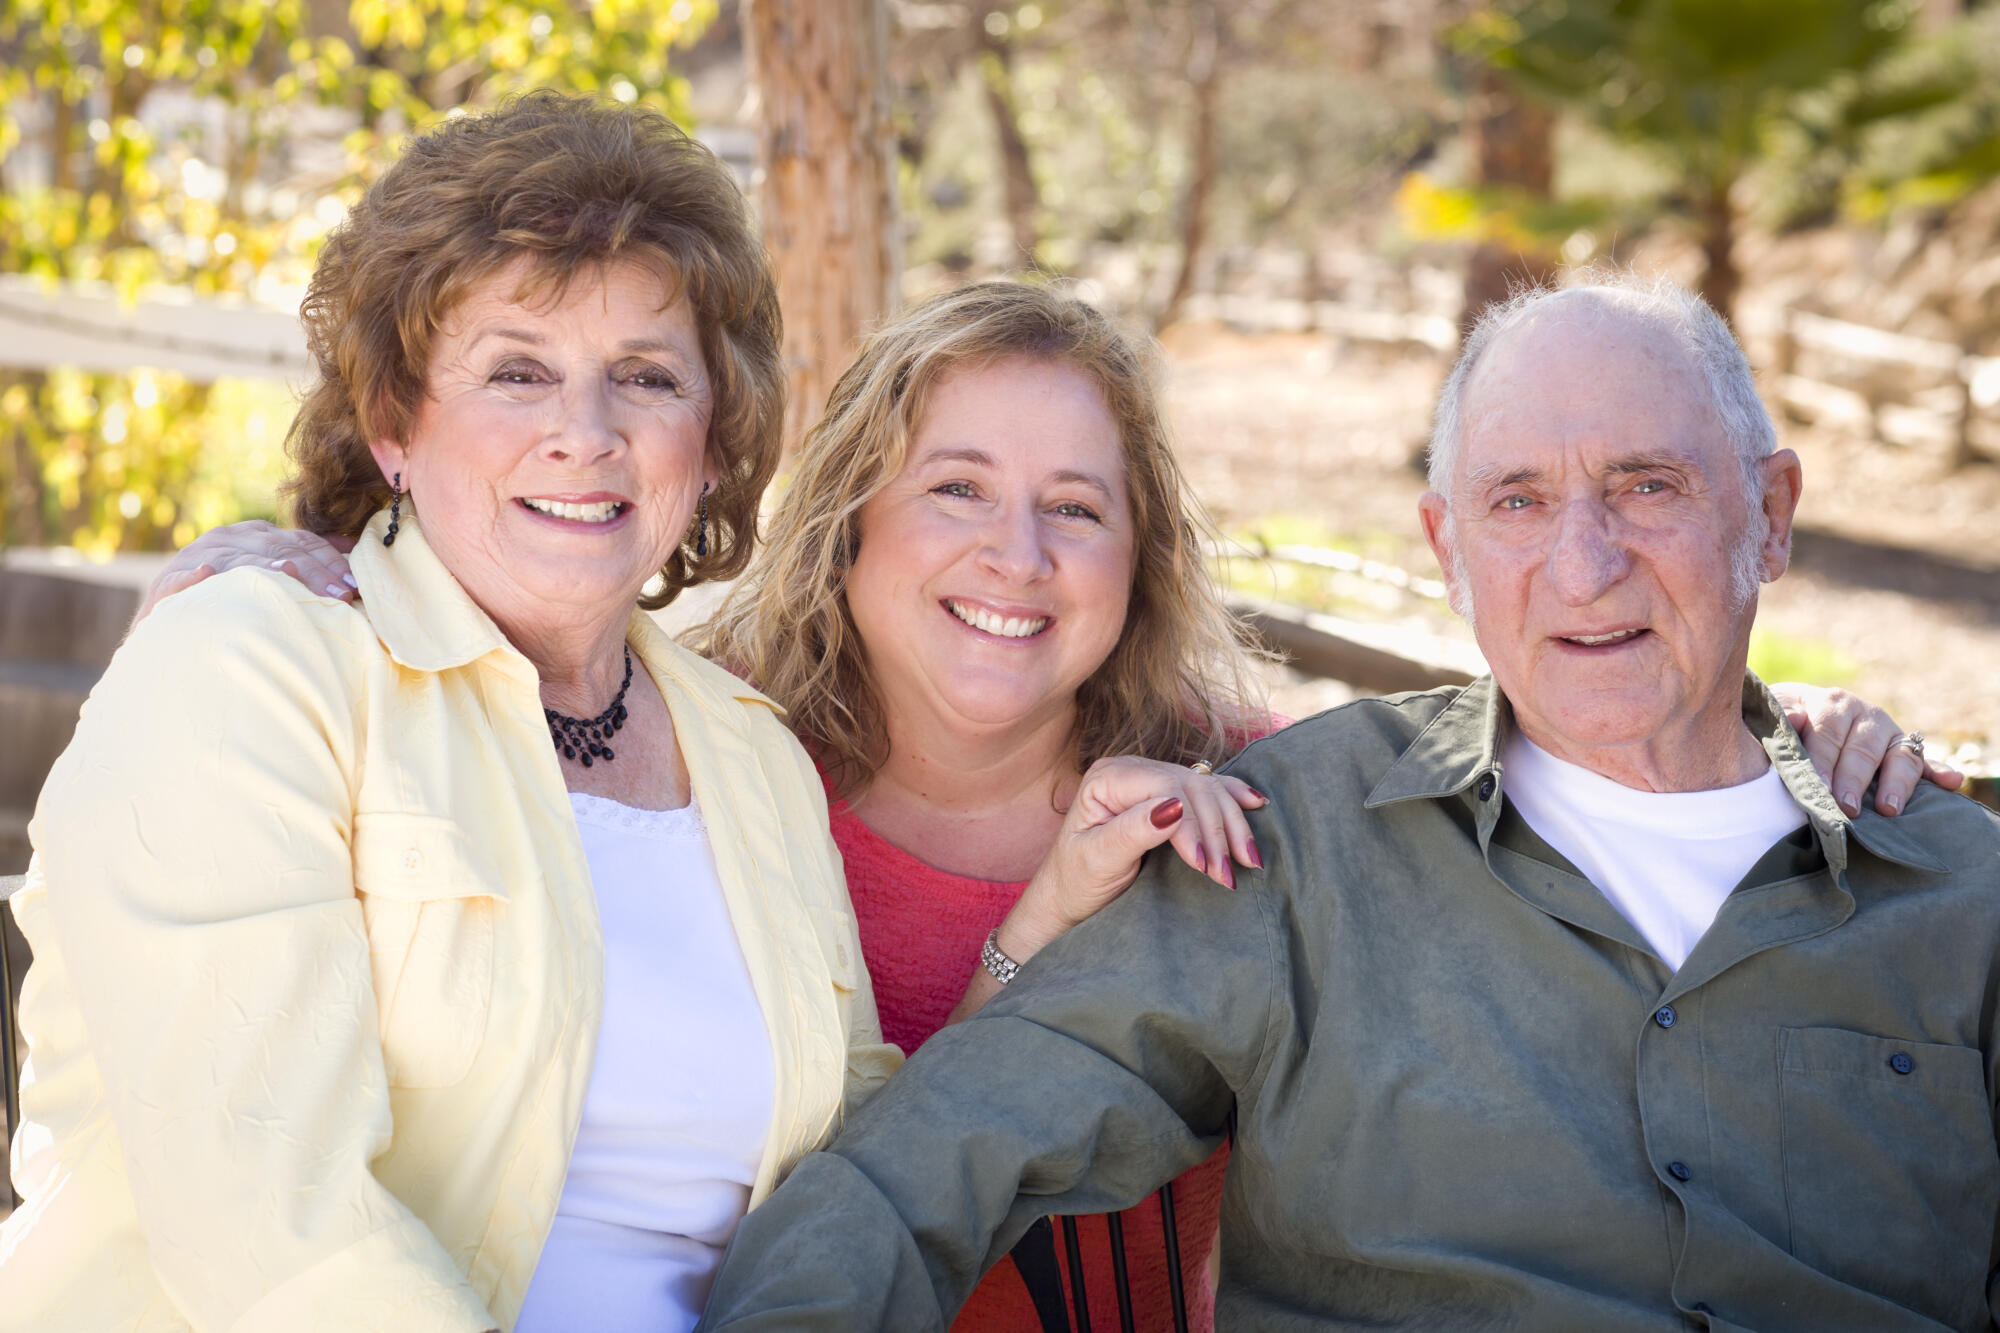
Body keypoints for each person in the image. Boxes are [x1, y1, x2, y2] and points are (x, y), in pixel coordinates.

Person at [134, 279, 1948, 1333]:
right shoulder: (686, 761)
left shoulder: (1239, 800)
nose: (1016, 556)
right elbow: (916, 1173)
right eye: (956, 491)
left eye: (1076, 505)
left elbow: (1638, 710)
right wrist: (300, 589)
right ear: (849, 519)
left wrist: (1843, 767)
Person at [691, 273, 2000, 1333]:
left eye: (1647, 487)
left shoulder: (1957, 890)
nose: (1586, 565)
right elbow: (927, 1164)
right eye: (1520, 501)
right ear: (1446, 550)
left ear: (1770, 516)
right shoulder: (1287, 838)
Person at [0, 92, 901, 1333]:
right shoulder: (253, 667)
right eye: (515, 371)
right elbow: (274, 1235)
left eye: (643, 377)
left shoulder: (752, 753)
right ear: (393, 424)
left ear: (710, 438)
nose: (583, 435)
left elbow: (848, 1184)